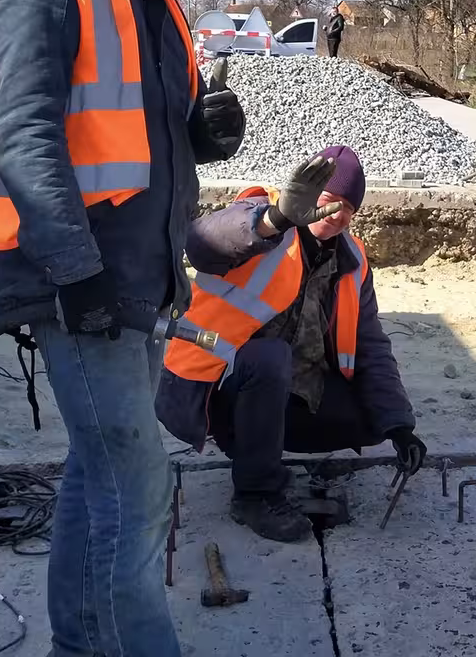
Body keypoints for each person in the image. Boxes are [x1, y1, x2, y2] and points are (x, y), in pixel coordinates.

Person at [0, 0, 246, 657]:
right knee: (136, 489)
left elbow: (130, 130)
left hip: (138, 277)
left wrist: (202, 132)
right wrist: (75, 269)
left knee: (99, 476)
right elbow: (22, 127)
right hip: (80, 280)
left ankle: (78, 645)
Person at [157, 145, 426, 542]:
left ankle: (262, 449)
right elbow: (199, 244)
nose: (336, 215)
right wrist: (277, 218)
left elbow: (370, 345)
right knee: (270, 357)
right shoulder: (263, 217)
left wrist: (399, 425)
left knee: (374, 419)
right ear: (309, 193)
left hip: (286, 394)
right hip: (211, 390)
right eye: (329, 200)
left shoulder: (351, 260)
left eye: (348, 208)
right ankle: (255, 494)